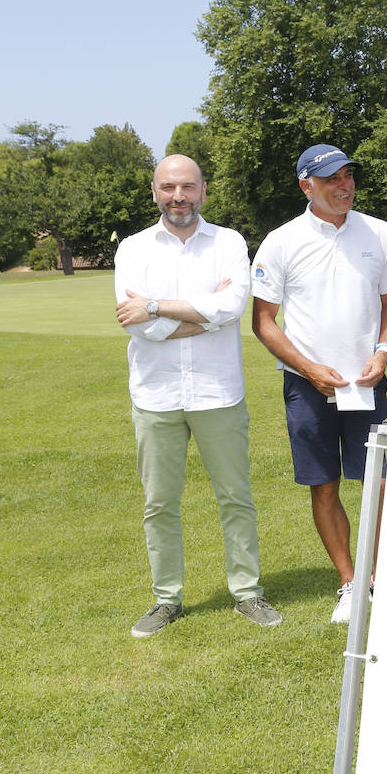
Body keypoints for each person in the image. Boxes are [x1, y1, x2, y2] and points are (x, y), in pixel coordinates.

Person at [115, 154, 281, 637]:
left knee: (236, 497)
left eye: (187, 187)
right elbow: (138, 327)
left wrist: (154, 307)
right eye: (168, 187)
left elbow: (232, 308)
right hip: (155, 395)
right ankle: (167, 599)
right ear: (154, 192)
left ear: (203, 190)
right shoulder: (133, 248)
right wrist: (201, 315)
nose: (178, 197)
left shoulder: (228, 242)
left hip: (217, 392)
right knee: (159, 503)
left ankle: (247, 593)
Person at [251, 144, 387, 623]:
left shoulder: (377, 232)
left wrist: (384, 352)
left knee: (380, 482)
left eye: (348, 176)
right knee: (324, 484)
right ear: (306, 186)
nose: (345, 186)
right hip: (307, 386)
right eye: (332, 178)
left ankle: (377, 580)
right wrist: (310, 368)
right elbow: (264, 322)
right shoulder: (281, 240)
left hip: (364, 382)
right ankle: (350, 583)